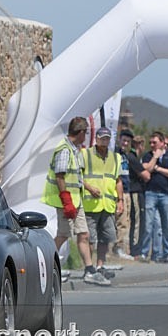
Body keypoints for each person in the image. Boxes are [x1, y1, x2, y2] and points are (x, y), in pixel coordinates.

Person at [41, 116, 110, 286]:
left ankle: (89, 270)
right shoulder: (65, 150)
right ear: (80, 132)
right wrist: (66, 200)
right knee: (63, 235)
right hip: (66, 202)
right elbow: (60, 176)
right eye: (85, 133)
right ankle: (45, 266)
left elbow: (77, 177)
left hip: (76, 201)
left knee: (83, 234)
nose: (86, 137)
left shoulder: (74, 150)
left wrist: (87, 189)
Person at [81, 126, 123, 273]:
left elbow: (118, 180)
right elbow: (78, 176)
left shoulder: (116, 157)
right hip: (90, 204)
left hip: (108, 204)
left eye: (107, 138)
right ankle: (89, 266)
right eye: (102, 138)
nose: (105, 141)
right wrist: (89, 188)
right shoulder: (85, 154)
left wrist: (120, 200)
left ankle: (100, 266)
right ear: (96, 139)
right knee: (90, 238)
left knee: (105, 238)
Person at [140, 131, 168, 262]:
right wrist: (155, 157)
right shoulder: (147, 156)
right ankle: (146, 253)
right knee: (149, 225)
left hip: (166, 194)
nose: (152, 145)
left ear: (162, 143)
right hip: (150, 193)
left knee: (167, 226)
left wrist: (158, 169)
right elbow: (146, 169)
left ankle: (167, 253)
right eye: (150, 142)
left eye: (155, 142)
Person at [124, 131, 150, 259]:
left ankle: (136, 248)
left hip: (138, 192)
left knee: (139, 220)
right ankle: (135, 249)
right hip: (135, 192)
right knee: (137, 221)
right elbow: (146, 175)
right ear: (140, 145)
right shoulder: (132, 158)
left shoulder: (135, 158)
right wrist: (155, 159)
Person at [112, 128, 136, 259]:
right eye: (124, 140)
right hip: (118, 191)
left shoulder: (126, 155)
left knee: (126, 221)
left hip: (127, 190)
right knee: (120, 220)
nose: (125, 143)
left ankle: (121, 247)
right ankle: (118, 247)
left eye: (128, 141)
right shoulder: (114, 153)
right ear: (119, 139)